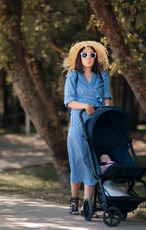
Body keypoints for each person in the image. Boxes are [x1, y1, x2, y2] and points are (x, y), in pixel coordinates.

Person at [63, 41, 112, 215]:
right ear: (79, 57)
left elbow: (107, 98)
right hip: (79, 123)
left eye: (92, 54)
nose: (89, 57)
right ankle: (74, 200)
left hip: (98, 122)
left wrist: (107, 113)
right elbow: (69, 101)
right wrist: (85, 106)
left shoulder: (103, 76)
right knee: (80, 160)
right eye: (84, 54)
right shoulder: (73, 76)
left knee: (93, 160)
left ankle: (88, 204)